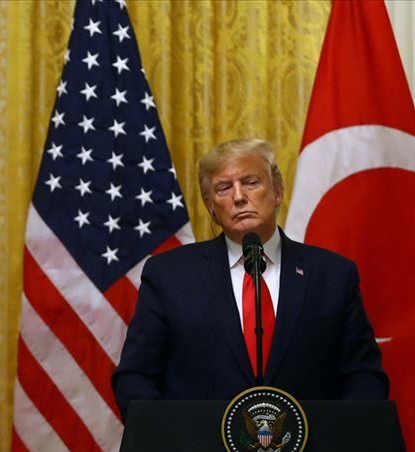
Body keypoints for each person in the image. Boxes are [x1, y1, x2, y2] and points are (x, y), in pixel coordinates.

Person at [112, 138, 387, 405]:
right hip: (199, 437)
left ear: (277, 191)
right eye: (223, 188)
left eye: (251, 182)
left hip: (309, 437)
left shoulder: (333, 275)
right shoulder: (169, 276)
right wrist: (170, 435)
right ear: (210, 206)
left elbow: (363, 376)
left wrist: (338, 435)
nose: (239, 197)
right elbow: (136, 377)